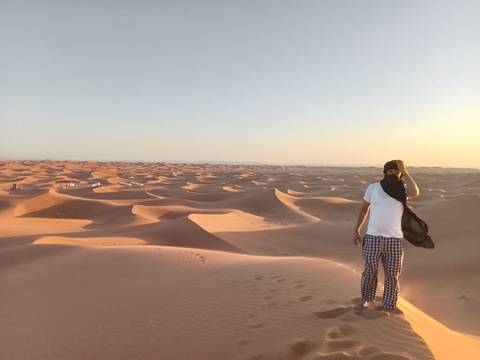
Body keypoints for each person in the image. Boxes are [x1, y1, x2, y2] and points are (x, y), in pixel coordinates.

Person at [352, 160, 420, 311]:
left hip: (395, 240)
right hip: (372, 237)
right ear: (385, 172)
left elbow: (415, 192)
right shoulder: (373, 188)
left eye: (396, 172)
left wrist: (405, 170)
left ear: (400, 174)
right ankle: (365, 300)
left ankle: (389, 305)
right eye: (390, 171)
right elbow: (364, 210)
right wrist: (357, 230)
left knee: (392, 275)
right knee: (369, 272)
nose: (393, 174)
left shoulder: (402, 189)